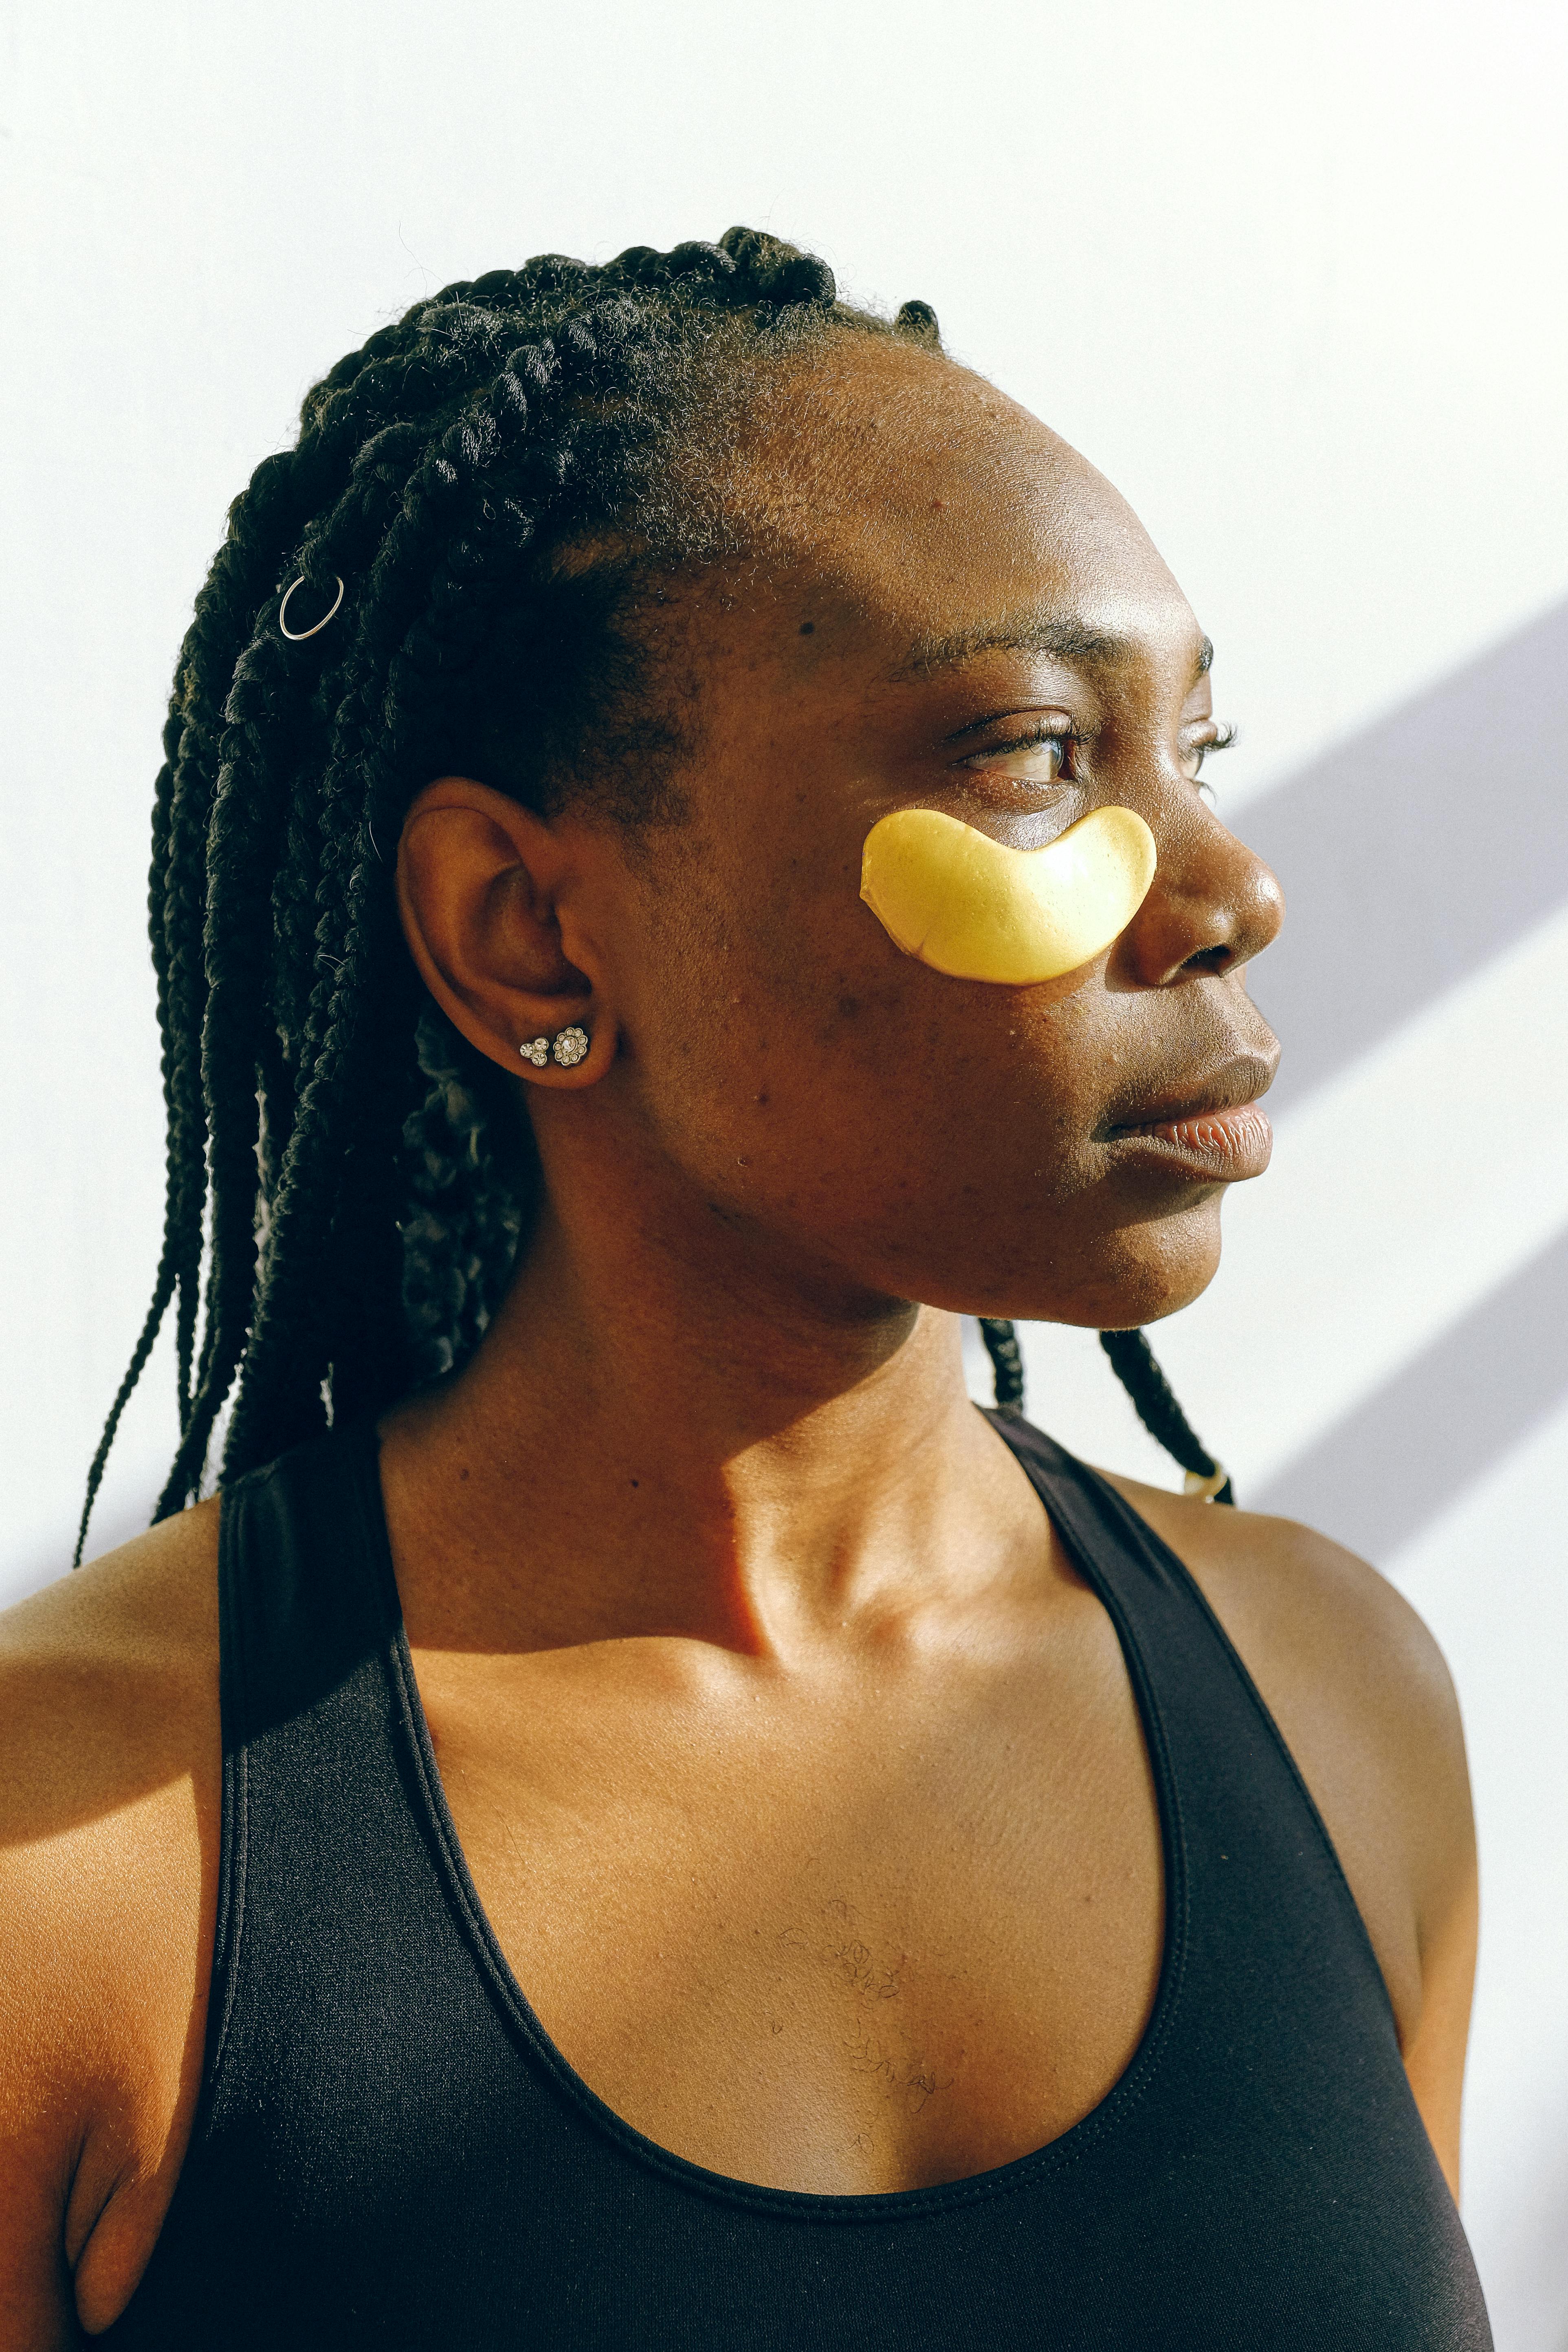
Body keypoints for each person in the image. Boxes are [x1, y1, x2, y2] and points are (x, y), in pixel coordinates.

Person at [0, 229, 1489, 2347]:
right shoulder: (72, 1866)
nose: (1230, 890)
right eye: (1037, 751)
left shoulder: (1333, 1711)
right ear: (527, 930)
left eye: (1199, 754)